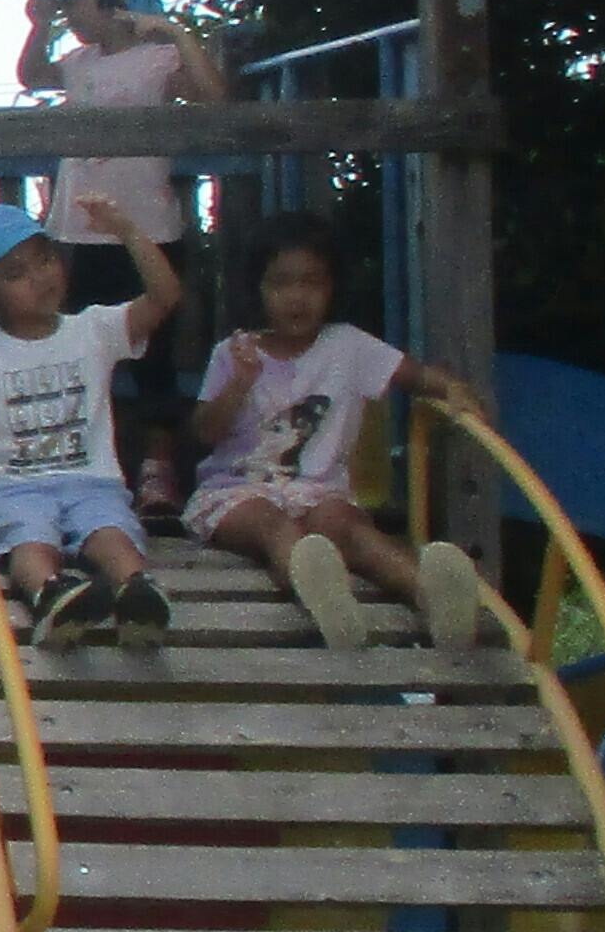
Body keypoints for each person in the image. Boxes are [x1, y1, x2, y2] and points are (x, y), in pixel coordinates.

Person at [188, 215, 493, 652]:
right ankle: (326, 598)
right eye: (281, 283)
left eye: (312, 283)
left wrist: (453, 390)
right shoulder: (234, 352)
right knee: (273, 526)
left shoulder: (349, 346)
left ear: (332, 288)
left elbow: (418, 376)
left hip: (319, 491)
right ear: (258, 289)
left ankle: (433, 598)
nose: (297, 297)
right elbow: (205, 432)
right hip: (235, 491)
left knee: (348, 528)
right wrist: (239, 382)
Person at [0, 194, 182, 647]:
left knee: (111, 531)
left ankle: (137, 594)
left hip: (92, 481)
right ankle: (51, 595)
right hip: (13, 487)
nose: (40, 277)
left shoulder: (94, 330)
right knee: (29, 539)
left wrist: (126, 231)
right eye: (16, 274)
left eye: (45, 260)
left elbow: (164, 298)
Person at [20, 0, 227, 519]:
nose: (68, 9)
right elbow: (32, 75)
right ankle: (89, 461)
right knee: (79, 349)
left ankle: (158, 468)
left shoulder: (160, 60)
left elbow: (213, 98)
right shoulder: (79, 62)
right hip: (77, 232)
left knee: (153, 354)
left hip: (147, 231)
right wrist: (39, 24)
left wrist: (177, 34)